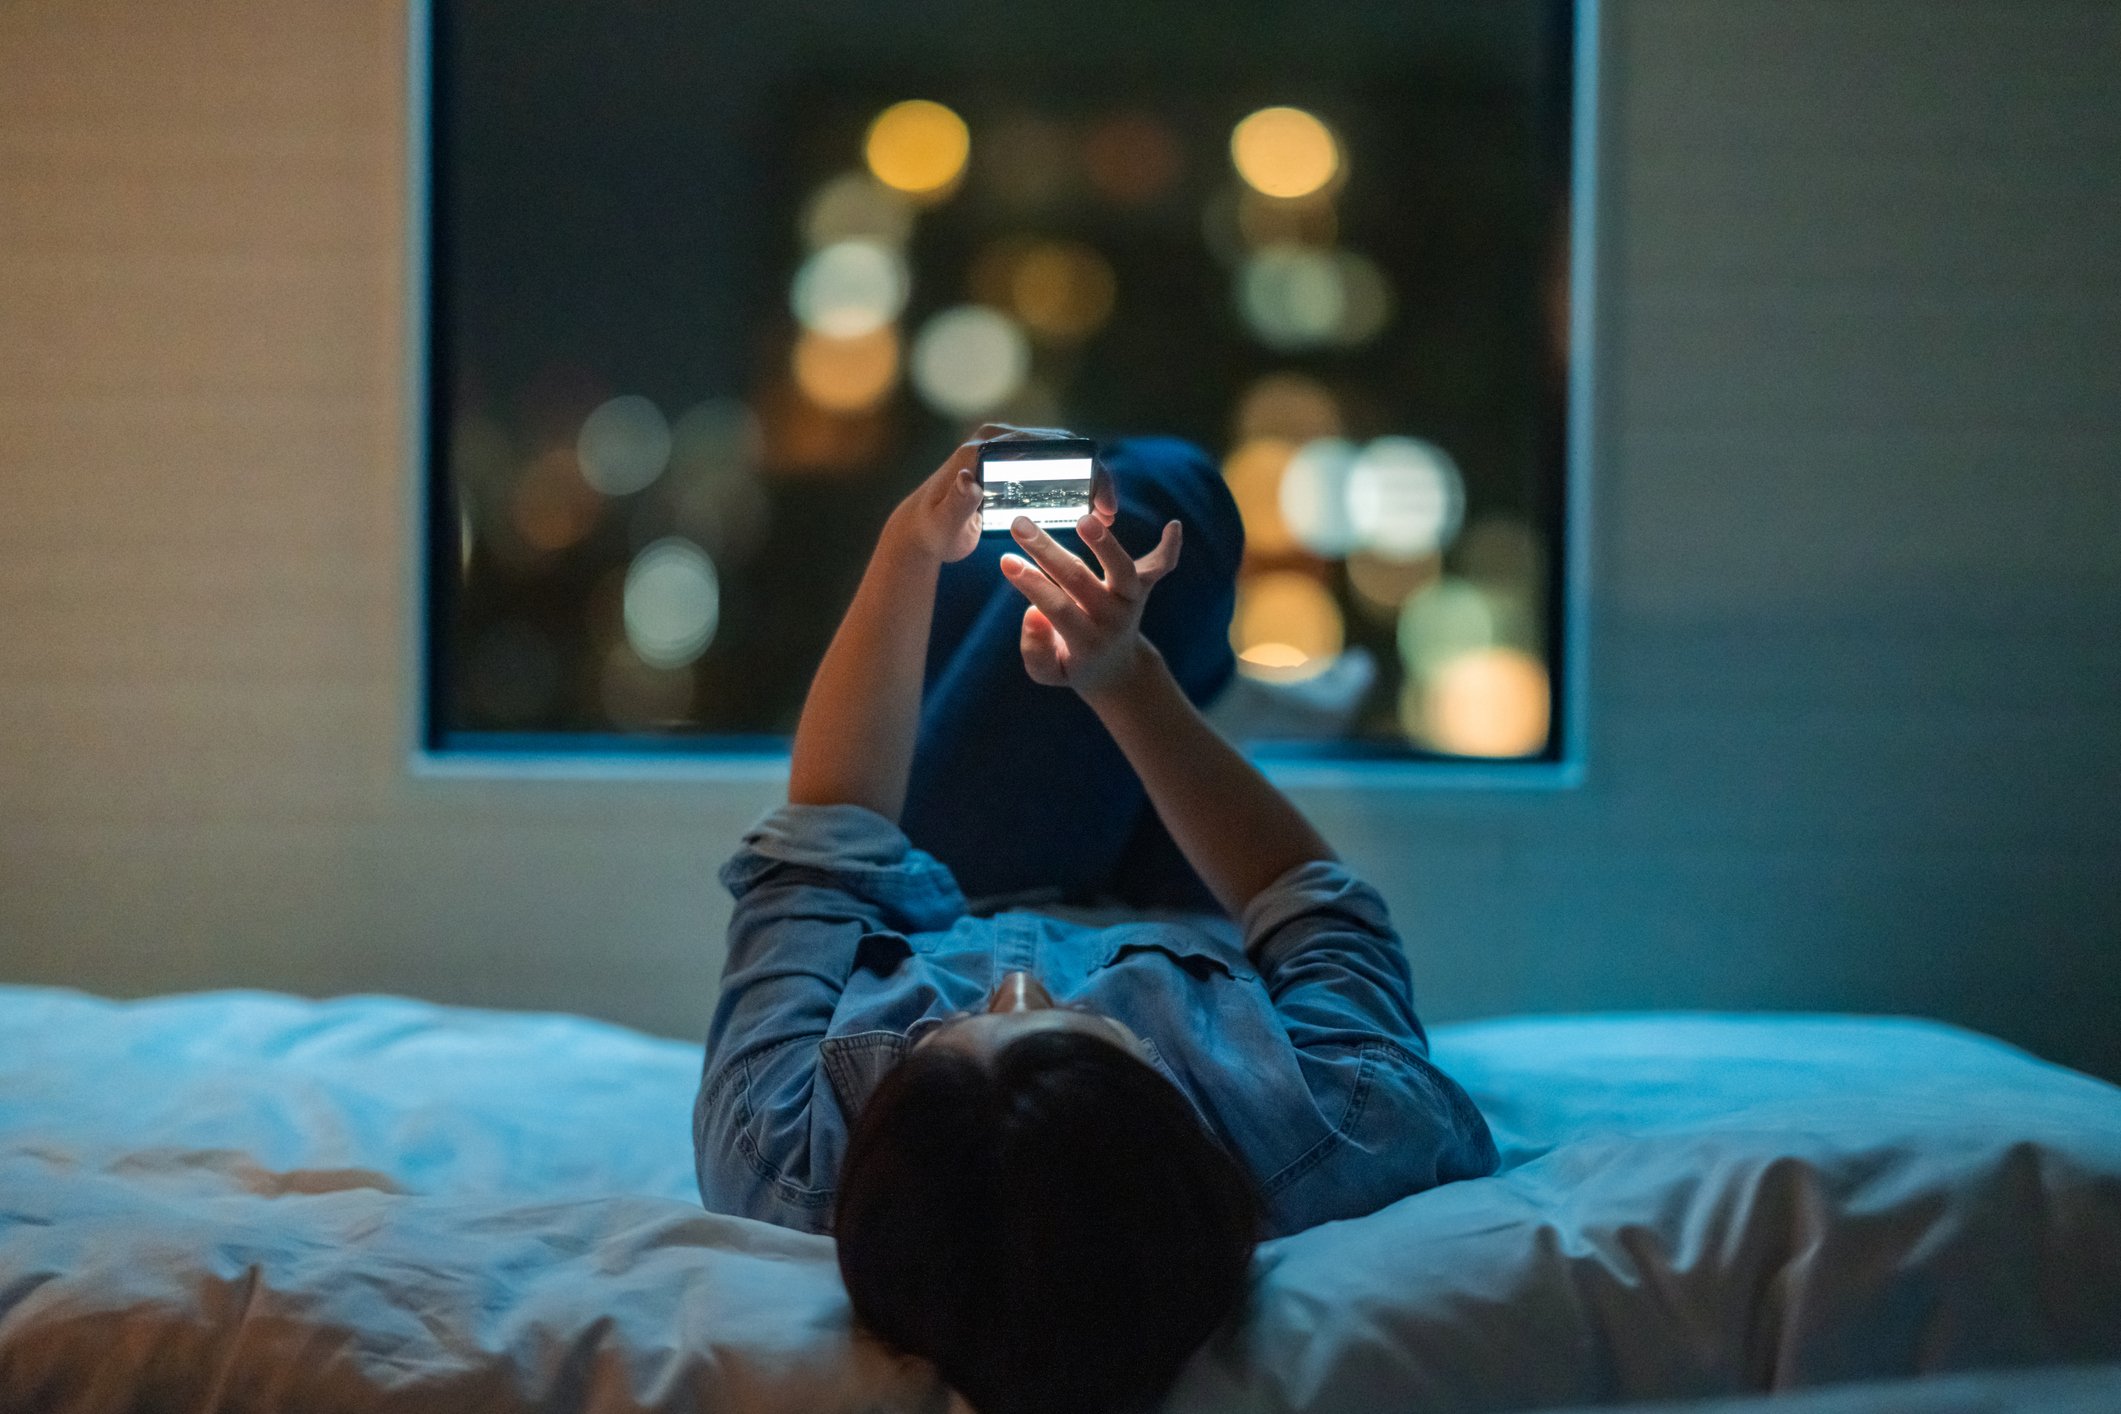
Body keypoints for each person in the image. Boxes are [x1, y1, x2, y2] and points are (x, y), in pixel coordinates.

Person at [694, 427, 1499, 1414]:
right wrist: (1128, 679)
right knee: (1168, 498)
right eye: (1069, 1021)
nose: (1022, 981)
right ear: (1169, 1120)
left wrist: (904, 547)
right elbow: (1304, 899)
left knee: (1096, 525)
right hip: (1194, 902)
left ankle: (1201, 681)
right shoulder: (1341, 1130)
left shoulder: (784, 1154)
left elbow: (829, 839)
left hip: (960, 876)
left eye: (957, 1026)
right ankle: (1203, 691)